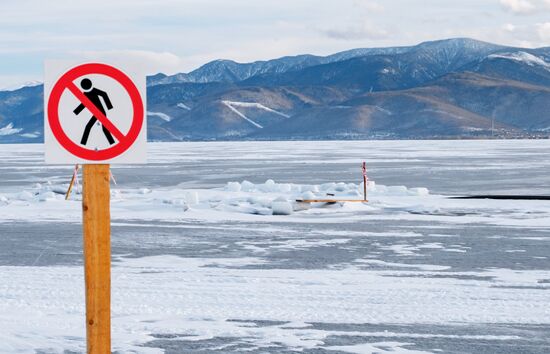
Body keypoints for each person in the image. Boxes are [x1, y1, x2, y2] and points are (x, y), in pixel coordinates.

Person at [73, 78, 115, 146]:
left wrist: (109, 107)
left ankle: (83, 143)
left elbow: (104, 94)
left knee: (101, 128)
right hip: (96, 113)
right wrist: (76, 111)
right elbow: (84, 104)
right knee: (90, 127)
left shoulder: (94, 90)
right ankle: (83, 144)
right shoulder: (85, 94)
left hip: (101, 113)